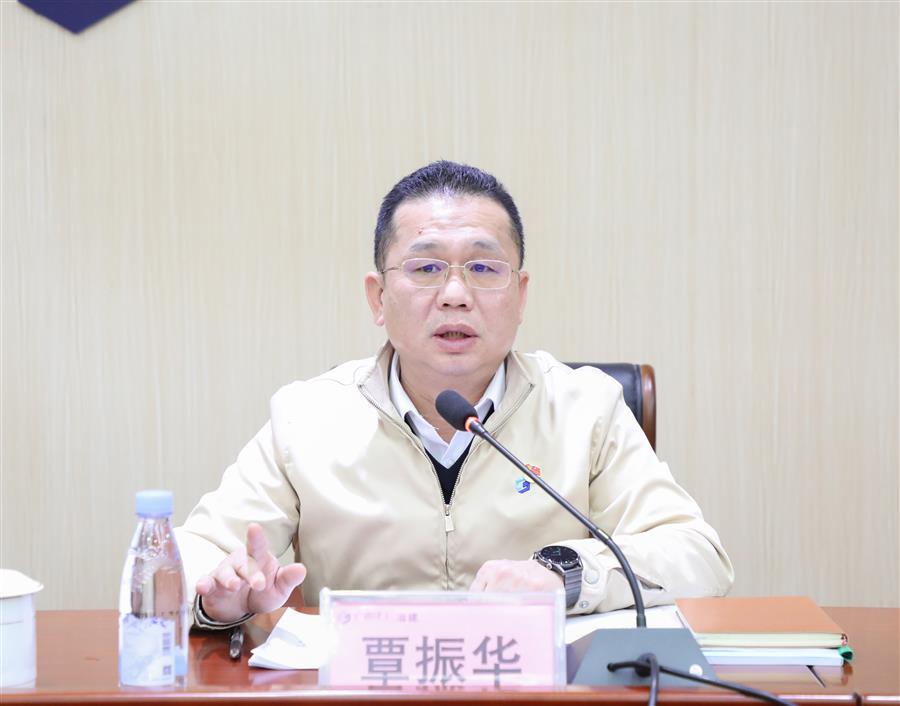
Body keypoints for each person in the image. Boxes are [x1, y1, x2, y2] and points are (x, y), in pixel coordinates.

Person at [176, 161, 733, 629]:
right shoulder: (308, 418)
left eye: (484, 268)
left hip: (537, 696)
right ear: (378, 297)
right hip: (367, 694)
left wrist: (566, 573)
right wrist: (217, 596)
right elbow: (189, 556)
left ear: (520, 295)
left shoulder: (586, 409)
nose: (455, 294)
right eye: (425, 268)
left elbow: (697, 555)